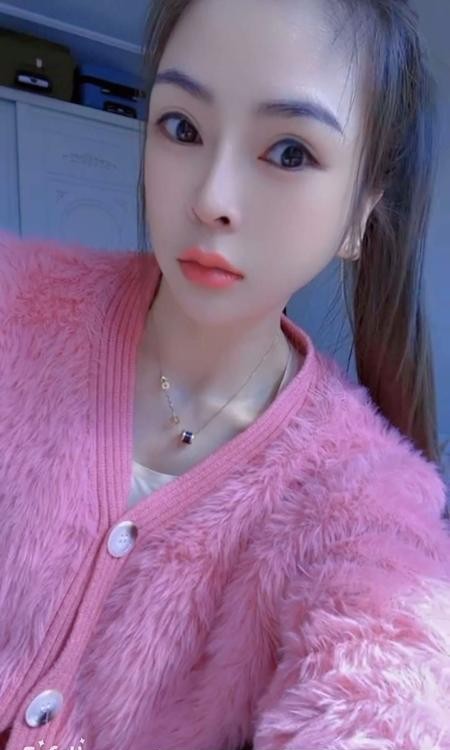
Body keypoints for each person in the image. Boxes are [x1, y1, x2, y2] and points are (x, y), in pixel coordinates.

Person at [0, 0, 449, 748]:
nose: (211, 199)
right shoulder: (15, 303)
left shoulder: (364, 492)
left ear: (358, 217)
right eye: (182, 128)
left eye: (290, 152)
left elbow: (389, 684)